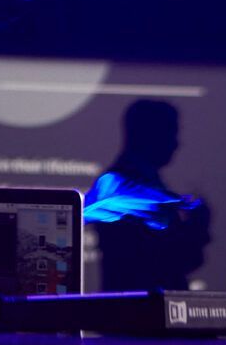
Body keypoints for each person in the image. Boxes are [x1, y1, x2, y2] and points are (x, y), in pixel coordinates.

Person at [86, 98, 211, 291]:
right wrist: (197, 226)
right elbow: (164, 260)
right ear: (151, 135)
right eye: (171, 133)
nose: (177, 143)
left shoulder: (130, 182)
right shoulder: (118, 186)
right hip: (136, 312)